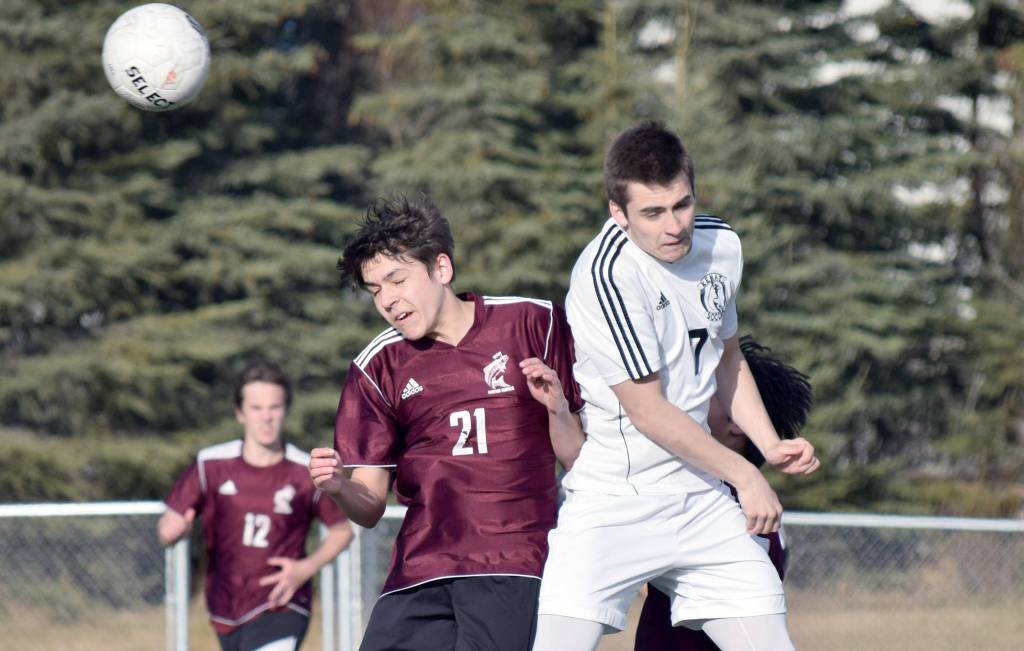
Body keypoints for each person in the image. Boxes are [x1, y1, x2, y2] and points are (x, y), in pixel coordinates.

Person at [532, 121, 820, 651]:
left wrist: (769, 445)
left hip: (701, 498)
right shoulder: (605, 277)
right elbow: (648, 412)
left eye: (682, 205)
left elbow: (727, 360)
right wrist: (745, 475)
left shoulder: (722, 245)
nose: (674, 227)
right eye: (652, 213)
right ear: (618, 214)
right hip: (616, 500)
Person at [308, 196, 585, 651]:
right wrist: (338, 486)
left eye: (397, 280)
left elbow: (579, 458)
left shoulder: (536, 322)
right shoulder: (377, 366)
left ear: (441, 268)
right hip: (418, 572)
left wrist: (557, 410)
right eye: (375, 290)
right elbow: (371, 506)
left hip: (512, 562)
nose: (389, 300)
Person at [158, 360, 353, 651]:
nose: (266, 418)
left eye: (274, 408)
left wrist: (305, 568)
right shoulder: (210, 465)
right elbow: (167, 526)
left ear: (285, 410)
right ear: (240, 413)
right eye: (256, 408)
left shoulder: (304, 471)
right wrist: (174, 531)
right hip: (225, 608)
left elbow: (342, 530)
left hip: (282, 606)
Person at [635, 336, 813, 650]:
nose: (694, 397)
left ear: (740, 423)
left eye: (710, 392)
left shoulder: (723, 506)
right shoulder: (697, 487)